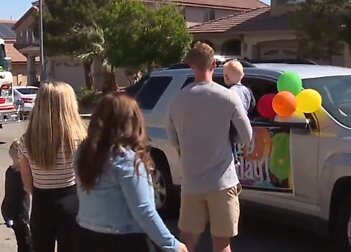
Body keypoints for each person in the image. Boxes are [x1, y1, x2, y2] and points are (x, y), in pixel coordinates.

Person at [166, 42, 253, 252]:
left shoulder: (176, 100)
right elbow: (247, 135)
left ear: (190, 65)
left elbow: (174, 141)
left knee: (186, 241)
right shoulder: (228, 97)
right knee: (222, 243)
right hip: (222, 183)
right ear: (214, 64)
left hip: (192, 182)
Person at [75, 93, 188, 252]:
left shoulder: (83, 152)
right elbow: (144, 210)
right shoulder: (126, 159)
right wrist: (172, 244)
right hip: (124, 240)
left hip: (87, 236)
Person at [18, 81, 87, 252]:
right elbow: (85, 178)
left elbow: (27, 185)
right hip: (72, 204)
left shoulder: (27, 140)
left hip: (41, 205)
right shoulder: (80, 139)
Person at [1, 139, 33, 252]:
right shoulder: (21, 174)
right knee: (26, 240)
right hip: (19, 212)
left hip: (8, 209)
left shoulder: (9, 170)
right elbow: (29, 187)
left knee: (21, 238)